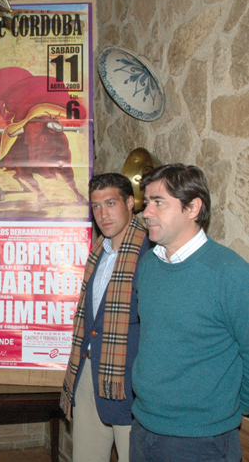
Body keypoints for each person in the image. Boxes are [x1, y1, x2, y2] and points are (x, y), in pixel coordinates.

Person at [131, 163, 249, 462]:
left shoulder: (229, 272)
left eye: (159, 202)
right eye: (147, 202)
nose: (146, 212)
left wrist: (233, 409)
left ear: (193, 208)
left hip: (202, 439)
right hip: (143, 426)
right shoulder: (148, 264)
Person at [61, 173, 150, 462]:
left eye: (111, 203)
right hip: (88, 370)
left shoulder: (150, 253)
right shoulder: (98, 250)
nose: (103, 214)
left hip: (127, 381)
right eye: (96, 206)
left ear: (130, 203)